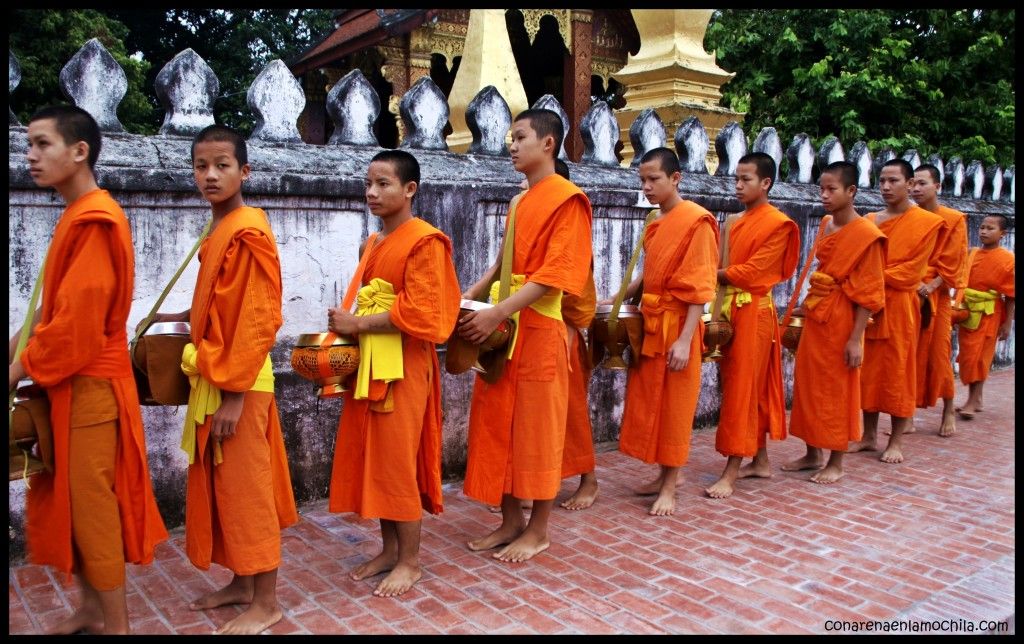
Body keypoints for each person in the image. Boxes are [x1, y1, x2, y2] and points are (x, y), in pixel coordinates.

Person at [10, 105, 168, 634]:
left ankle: (117, 625)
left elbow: (75, 330)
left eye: (42, 143)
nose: (30, 155)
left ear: (79, 152)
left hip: (91, 388)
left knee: (93, 508)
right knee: (70, 501)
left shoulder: (98, 220)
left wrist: (17, 370)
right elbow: (46, 314)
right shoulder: (76, 215)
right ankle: (89, 611)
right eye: (28, 144)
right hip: (67, 387)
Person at [149, 124, 298, 634]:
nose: (210, 175)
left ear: (244, 171)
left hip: (240, 385)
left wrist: (234, 395)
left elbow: (259, 320)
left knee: (248, 489)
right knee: (225, 488)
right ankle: (241, 581)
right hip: (217, 376)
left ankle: (268, 601)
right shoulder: (220, 230)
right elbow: (221, 307)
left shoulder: (248, 231)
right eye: (201, 166)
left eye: (222, 166)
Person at [459, 109, 593, 562]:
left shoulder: (569, 200)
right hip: (506, 326)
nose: (511, 146)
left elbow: (554, 276)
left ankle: (539, 529)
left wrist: (498, 309)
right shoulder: (521, 202)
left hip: (538, 328)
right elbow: (505, 261)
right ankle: (510, 519)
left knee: (537, 430)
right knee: (500, 424)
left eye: (520, 137)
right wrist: (476, 292)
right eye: (510, 138)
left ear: (548, 143)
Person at [327, 150, 461, 597]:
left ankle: (410, 560)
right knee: (378, 459)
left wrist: (358, 324)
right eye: (368, 182)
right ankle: (388, 551)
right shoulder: (374, 243)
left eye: (383, 183)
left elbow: (426, 314)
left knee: (398, 462)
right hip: (371, 365)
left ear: (409, 190)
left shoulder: (425, 241)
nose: (372, 192)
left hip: (404, 368)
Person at [615, 147, 718, 514]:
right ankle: (663, 475)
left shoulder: (697, 221)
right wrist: (623, 293)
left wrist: (686, 340)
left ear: (676, 178)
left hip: (679, 326)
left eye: (654, 179)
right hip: (652, 322)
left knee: (675, 407)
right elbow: (652, 271)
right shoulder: (657, 221)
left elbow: (700, 288)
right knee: (652, 404)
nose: (646, 187)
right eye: (642, 180)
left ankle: (671, 486)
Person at [783, 161, 886, 483]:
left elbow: (868, 294)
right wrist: (806, 306)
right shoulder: (827, 223)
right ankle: (812, 452)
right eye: (822, 189)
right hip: (818, 316)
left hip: (843, 321)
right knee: (810, 385)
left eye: (832, 189)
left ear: (851, 191)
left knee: (839, 389)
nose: (825, 196)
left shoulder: (867, 235)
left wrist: (856, 339)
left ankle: (836, 460)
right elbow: (823, 274)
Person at [706, 152, 799, 499]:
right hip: (730, 311)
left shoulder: (779, 224)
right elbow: (720, 261)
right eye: (736, 179)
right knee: (739, 387)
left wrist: (707, 274)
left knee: (744, 391)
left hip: (755, 314)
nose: (739, 186)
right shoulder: (731, 224)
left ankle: (731, 471)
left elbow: (755, 272)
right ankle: (759, 459)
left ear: (766, 183)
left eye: (746, 180)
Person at [849, 159, 943, 464]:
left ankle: (897, 440)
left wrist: (872, 274)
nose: (886, 187)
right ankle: (868, 436)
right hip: (868, 305)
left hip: (901, 306)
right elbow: (855, 260)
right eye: (882, 181)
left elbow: (911, 273)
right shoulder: (870, 220)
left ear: (910, 184)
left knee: (899, 372)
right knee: (869, 372)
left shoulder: (927, 223)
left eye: (894, 181)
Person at [909, 164, 968, 437]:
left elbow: (955, 260)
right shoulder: (907, 217)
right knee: (908, 353)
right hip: (909, 290)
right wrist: (913, 281)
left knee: (939, 354)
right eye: (913, 184)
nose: (916, 189)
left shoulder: (953, 218)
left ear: (938, 186)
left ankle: (948, 408)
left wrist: (931, 284)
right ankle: (905, 413)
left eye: (922, 183)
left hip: (937, 295)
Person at [955, 214, 1014, 419]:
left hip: (990, 313)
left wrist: (1007, 324)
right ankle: (977, 399)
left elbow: (1011, 295)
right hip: (968, 311)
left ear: (1002, 234)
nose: (984, 231)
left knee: (979, 357)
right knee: (966, 355)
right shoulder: (971, 253)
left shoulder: (1008, 259)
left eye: (990, 228)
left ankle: (972, 401)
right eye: (982, 227)